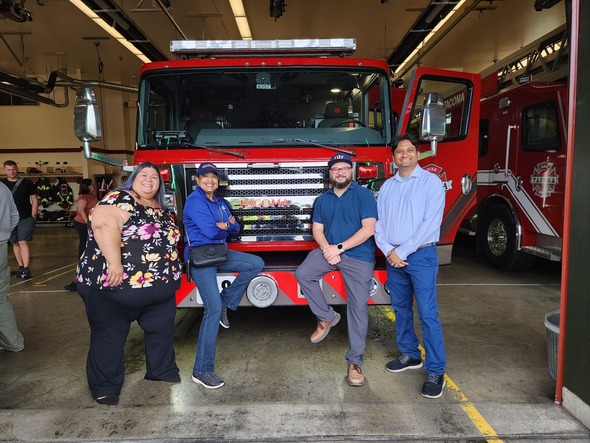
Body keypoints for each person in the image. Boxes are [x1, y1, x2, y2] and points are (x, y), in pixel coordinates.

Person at [76, 162, 183, 405]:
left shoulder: (160, 206)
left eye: (154, 177)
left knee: (161, 331)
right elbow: (104, 224)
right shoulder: (120, 198)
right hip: (113, 288)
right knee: (109, 336)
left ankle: (161, 370)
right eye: (143, 174)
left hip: (159, 289)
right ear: (132, 179)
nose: (149, 179)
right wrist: (115, 263)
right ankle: (105, 386)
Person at [374, 133, 447, 399]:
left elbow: (430, 223)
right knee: (401, 309)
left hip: (421, 256)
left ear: (418, 153)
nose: (404, 155)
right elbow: (378, 223)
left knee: (428, 314)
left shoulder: (431, 183)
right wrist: (388, 251)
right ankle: (410, 354)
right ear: (393, 157)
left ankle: (436, 369)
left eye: (409, 150)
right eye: (399, 152)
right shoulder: (388, 187)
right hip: (394, 256)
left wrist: (401, 251)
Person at [295, 153, 377, 387]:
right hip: (330, 251)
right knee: (303, 273)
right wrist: (328, 249)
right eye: (335, 169)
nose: (340, 172)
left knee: (358, 307)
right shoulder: (323, 200)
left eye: (344, 168)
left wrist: (339, 248)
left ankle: (355, 362)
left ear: (351, 171)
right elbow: (317, 230)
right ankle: (327, 316)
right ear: (329, 174)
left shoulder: (363, 195)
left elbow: (368, 229)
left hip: (358, 256)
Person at [184, 162, 264, 389]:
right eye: (205, 177)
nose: (210, 180)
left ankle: (227, 301)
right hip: (201, 257)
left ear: (217, 181)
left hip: (220, 252)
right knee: (212, 309)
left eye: (213, 177)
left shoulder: (218, 202)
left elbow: (236, 227)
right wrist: (223, 225)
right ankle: (201, 370)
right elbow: (210, 231)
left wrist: (225, 225)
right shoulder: (195, 200)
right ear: (198, 180)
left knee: (255, 263)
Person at [2, 160, 38, 279]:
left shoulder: (27, 183)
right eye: (8, 170)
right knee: (15, 242)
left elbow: (34, 199)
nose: (11, 172)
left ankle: (26, 268)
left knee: (23, 241)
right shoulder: (2, 184)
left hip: (25, 217)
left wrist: (33, 215)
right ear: (4, 170)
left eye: (13, 169)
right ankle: (21, 266)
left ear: (17, 169)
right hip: (9, 219)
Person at [0, 181, 25, 352]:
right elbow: (15, 216)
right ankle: (13, 342)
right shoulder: (2, 188)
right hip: (1, 245)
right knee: (1, 298)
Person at [65, 179, 99, 291]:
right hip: (82, 223)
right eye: (92, 185)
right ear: (88, 186)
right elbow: (82, 211)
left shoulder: (92, 196)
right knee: (84, 241)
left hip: (92, 222)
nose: (93, 186)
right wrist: (88, 223)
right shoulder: (82, 197)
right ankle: (82, 258)